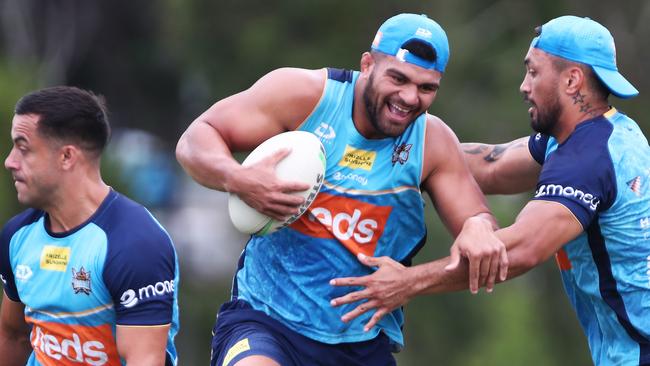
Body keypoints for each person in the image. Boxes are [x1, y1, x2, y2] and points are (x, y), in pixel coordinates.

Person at [176, 13, 508, 366]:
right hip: (266, 321)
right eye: (398, 78)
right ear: (367, 65)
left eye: (426, 88)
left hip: (360, 344)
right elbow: (196, 140)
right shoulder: (304, 97)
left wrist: (477, 227)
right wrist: (240, 178)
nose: (410, 97)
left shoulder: (433, 143)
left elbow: (479, 223)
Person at [330, 15, 650, 366]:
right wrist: (358, 154)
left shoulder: (585, 159)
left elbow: (520, 250)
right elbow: (491, 165)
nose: (524, 86)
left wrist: (408, 281)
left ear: (572, 80)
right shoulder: (605, 134)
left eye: (533, 71)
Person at [0, 86, 180, 365]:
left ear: (66, 157)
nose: (9, 161)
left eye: (23, 148)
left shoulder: (135, 244)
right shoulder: (17, 236)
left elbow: (143, 359)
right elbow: (13, 336)